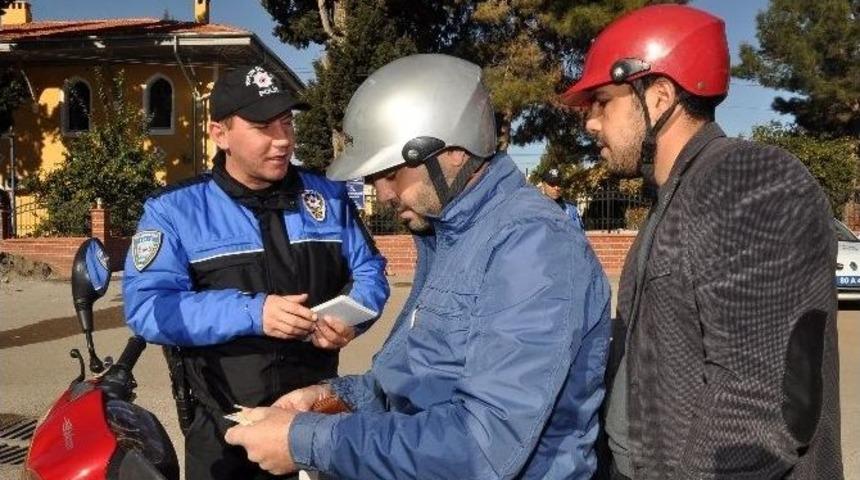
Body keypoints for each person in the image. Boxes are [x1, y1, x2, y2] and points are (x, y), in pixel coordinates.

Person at [224, 53, 611, 479]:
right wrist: (331, 396)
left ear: (452, 153)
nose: (384, 194)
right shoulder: (450, 235)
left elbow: (483, 446)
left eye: (390, 173)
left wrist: (305, 441)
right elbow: (411, 379)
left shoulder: (532, 244)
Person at [560, 4, 842, 479]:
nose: (590, 123)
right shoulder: (674, 198)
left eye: (603, 102)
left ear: (660, 96)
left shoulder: (749, 181)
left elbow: (758, 405)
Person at [122, 64, 389, 480]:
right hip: (224, 430)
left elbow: (370, 271)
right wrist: (254, 313)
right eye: (264, 126)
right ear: (219, 133)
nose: (283, 140)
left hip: (315, 418)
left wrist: (354, 315)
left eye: (286, 122)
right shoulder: (174, 211)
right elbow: (149, 308)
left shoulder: (329, 197)